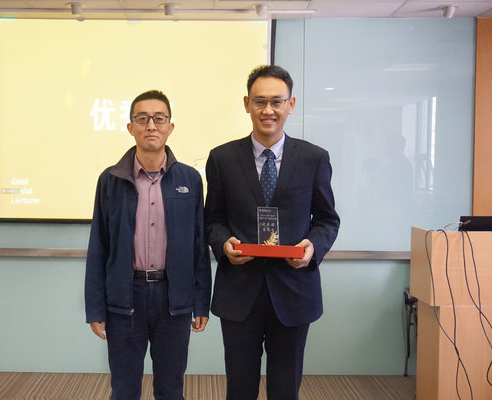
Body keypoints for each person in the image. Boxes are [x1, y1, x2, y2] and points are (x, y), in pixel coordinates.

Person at [204, 65, 340, 400]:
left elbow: (327, 220)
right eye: (260, 101)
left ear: (291, 104)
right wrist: (224, 244)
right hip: (240, 292)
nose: (268, 110)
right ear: (247, 104)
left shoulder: (313, 158)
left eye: (277, 102)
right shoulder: (222, 158)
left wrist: (312, 248)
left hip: (294, 290)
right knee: (240, 389)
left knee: (285, 389)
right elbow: (212, 220)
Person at [85, 90, 212, 400]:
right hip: (125, 297)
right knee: (124, 389)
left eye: (159, 118)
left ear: (170, 127)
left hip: (173, 298)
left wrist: (201, 302)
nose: (151, 125)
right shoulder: (110, 180)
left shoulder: (190, 179)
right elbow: (99, 247)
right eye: (142, 119)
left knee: (171, 389)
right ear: (131, 127)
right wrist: (95, 307)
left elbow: (198, 246)